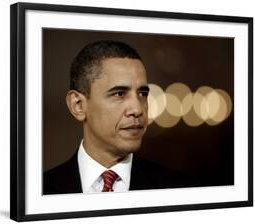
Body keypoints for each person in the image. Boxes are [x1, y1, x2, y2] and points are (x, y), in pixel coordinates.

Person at [43, 40, 197, 194]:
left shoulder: (180, 190)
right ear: (78, 105)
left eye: (142, 94)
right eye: (119, 94)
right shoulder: (37, 191)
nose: (137, 109)